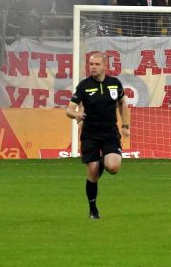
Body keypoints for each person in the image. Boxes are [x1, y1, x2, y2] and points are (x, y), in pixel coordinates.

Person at [66, 52, 130, 219]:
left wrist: (125, 125)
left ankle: (103, 160)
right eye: (91, 64)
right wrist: (76, 115)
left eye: (96, 64)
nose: (93, 67)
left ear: (104, 66)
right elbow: (69, 109)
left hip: (110, 132)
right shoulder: (84, 86)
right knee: (93, 172)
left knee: (113, 167)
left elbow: (123, 104)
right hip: (90, 134)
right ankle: (93, 209)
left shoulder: (115, 84)